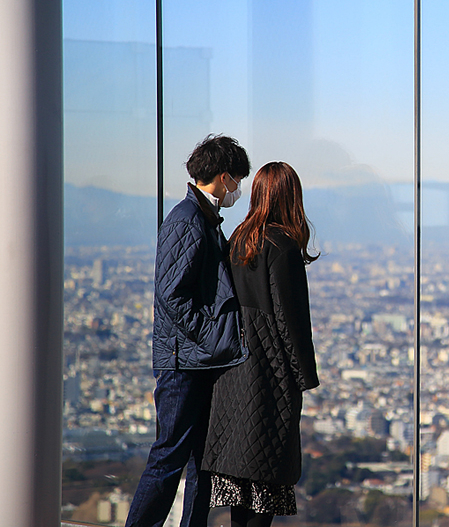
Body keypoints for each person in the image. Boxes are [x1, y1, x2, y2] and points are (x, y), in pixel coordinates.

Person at [126, 135, 251, 527]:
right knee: (169, 457)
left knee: (202, 460)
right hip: (184, 362)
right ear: (223, 176)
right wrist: (210, 337)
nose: (237, 189)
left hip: (195, 359)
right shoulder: (188, 219)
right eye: (237, 179)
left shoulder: (202, 218)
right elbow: (171, 294)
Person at [202, 161, 320, 527]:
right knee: (266, 487)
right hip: (270, 376)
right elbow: (290, 319)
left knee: (241, 488)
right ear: (291, 198)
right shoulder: (282, 246)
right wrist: (304, 377)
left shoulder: (239, 238)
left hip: (234, 373)